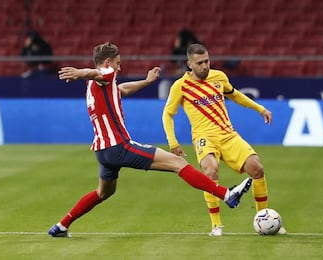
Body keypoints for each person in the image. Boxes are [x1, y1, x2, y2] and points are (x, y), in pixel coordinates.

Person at [48, 42, 253, 237]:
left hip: (103, 152)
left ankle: (62, 225)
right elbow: (95, 72)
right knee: (178, 163)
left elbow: (123, 89)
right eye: (118, 63)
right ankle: (227, 194)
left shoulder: (97, 87)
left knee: (104, 192)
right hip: (119, 146)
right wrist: (79, 73)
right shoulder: (105, 74)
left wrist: (146, 82)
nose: (119, 68)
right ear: (109, 63)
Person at [162, 43, 287, 236]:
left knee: (257, 168)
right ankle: (216, 226)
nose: (205, 66)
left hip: (228, 135)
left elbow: (235, 95)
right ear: (189, 64)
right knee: (210, 171)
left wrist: (260, 108)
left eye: (207, 61)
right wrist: (173, 143)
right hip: (204, 138)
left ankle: (264, 217)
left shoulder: (219, 77)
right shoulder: (180, 86)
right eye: (200, 63)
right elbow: (167, 114)